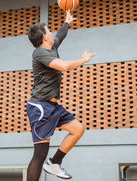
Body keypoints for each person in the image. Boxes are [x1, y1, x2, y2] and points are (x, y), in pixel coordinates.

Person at [26, 11, 95, 180]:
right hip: (40, 107)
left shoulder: (52, 46)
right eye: (48, 30)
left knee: (78, 129)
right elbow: (63, 66)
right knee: (40, 154)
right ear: (44, 37)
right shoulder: (40, 54)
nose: (51, 32)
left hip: (53, 106)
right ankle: (49, 163)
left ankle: (55, 162)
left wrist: (67, 22)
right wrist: (83, 60)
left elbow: (60, 35)